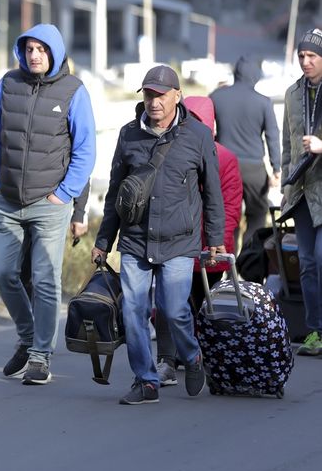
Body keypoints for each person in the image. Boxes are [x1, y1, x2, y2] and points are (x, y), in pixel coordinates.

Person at [93, 65, 226, 405]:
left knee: (173, 308)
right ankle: (146, 381)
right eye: (148, 94)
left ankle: (193, 356)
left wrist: (215, 238)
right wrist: (103, 241)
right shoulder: (128, 135)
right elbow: (114, 192)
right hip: (136, 239)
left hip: (180, 239)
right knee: (134, 311)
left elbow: (212, 192)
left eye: (160, 95)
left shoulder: (197, 135)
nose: (153, 102)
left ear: (176, 96)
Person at [0, 23, 96, 384]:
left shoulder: (74, 91)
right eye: (29, 49)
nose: (34, 55)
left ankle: (40, 356)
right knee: (2, 272)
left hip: (50, 202)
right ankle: (29, 336)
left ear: (55, 52)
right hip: (9, 199)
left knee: (45, 279)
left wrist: (64, 194)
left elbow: (85, 150)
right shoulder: (7, 85)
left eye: (41, 49)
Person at [153, 95, 243, 386]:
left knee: (207, 308)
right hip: (175, 243)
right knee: (168, 305)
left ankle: (205, 356)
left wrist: (219, 243)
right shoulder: (166, 150)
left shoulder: (225, 158)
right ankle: (168, 359)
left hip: (208, 248)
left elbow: (230, 205)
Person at [209, 55, 281, 247]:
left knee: (226, 217)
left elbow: (204, 126)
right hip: (254, 169)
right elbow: (272, 136)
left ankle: (227, 264)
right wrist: (276, 168)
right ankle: (248, 263)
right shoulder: (264, 102)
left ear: (235, 73)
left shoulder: (216, 96)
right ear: (256, 75)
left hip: (223, 167)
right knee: (257, 217)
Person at [281, 28, 322, 356]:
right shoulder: (292, 94)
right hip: (302, 193)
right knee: (306, 262)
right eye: (302, 56)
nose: (305, 62)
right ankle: (315, 331)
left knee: (321, 258)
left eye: (312, 56)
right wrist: (284, 184)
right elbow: (286, 147)